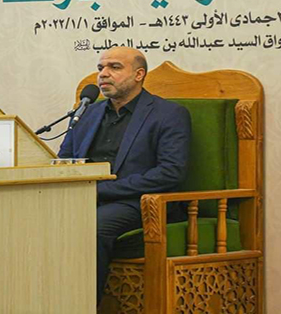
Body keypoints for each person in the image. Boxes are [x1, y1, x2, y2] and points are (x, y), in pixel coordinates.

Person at [58, 47, 191, 303]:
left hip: (139, 201)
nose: (103, 74)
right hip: (85, 197)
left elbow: (170, 172)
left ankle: (82, 305)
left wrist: (101, 190)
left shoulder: (168, 114)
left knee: (91, 227)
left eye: (115, 67)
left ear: (139, 75)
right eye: (100, 68)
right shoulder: (87, 112)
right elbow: (64, 160)